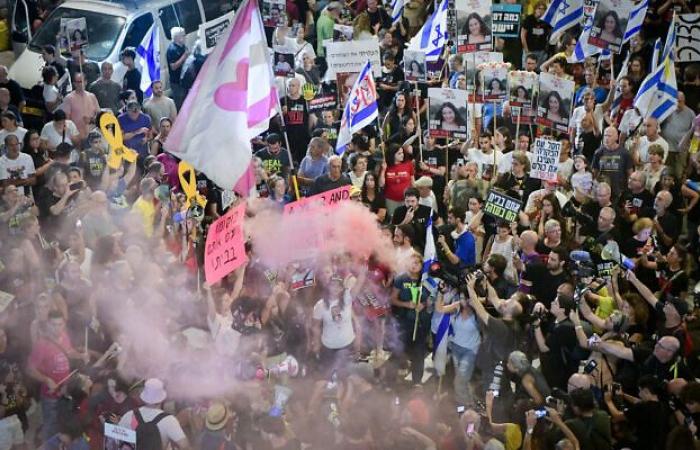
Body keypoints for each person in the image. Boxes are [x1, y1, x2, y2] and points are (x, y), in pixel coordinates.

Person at [118, 378, 191, 450]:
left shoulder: (129, 415)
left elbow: (116, 440)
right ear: (162, 398)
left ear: (144, 397)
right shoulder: (169, 420)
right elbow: (185, 446)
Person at [62, 72, 100, 140]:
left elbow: (99, 115)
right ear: (74, 83)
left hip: (93, 136)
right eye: (78, 82)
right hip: (77, 137)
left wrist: (91, 120)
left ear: (86, 82)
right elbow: (66, 120)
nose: (80, 84)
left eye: (82, 81)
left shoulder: (92, 96)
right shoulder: (69, 98)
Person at [166, 27, 189, 109]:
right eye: (183, 35)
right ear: (177, 37)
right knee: (181, 104)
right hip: (177, 84)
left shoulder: (182, 46)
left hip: (184, 81)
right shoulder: (172, 50)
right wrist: (184, 56)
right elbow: (173, 67)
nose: (185, 37)